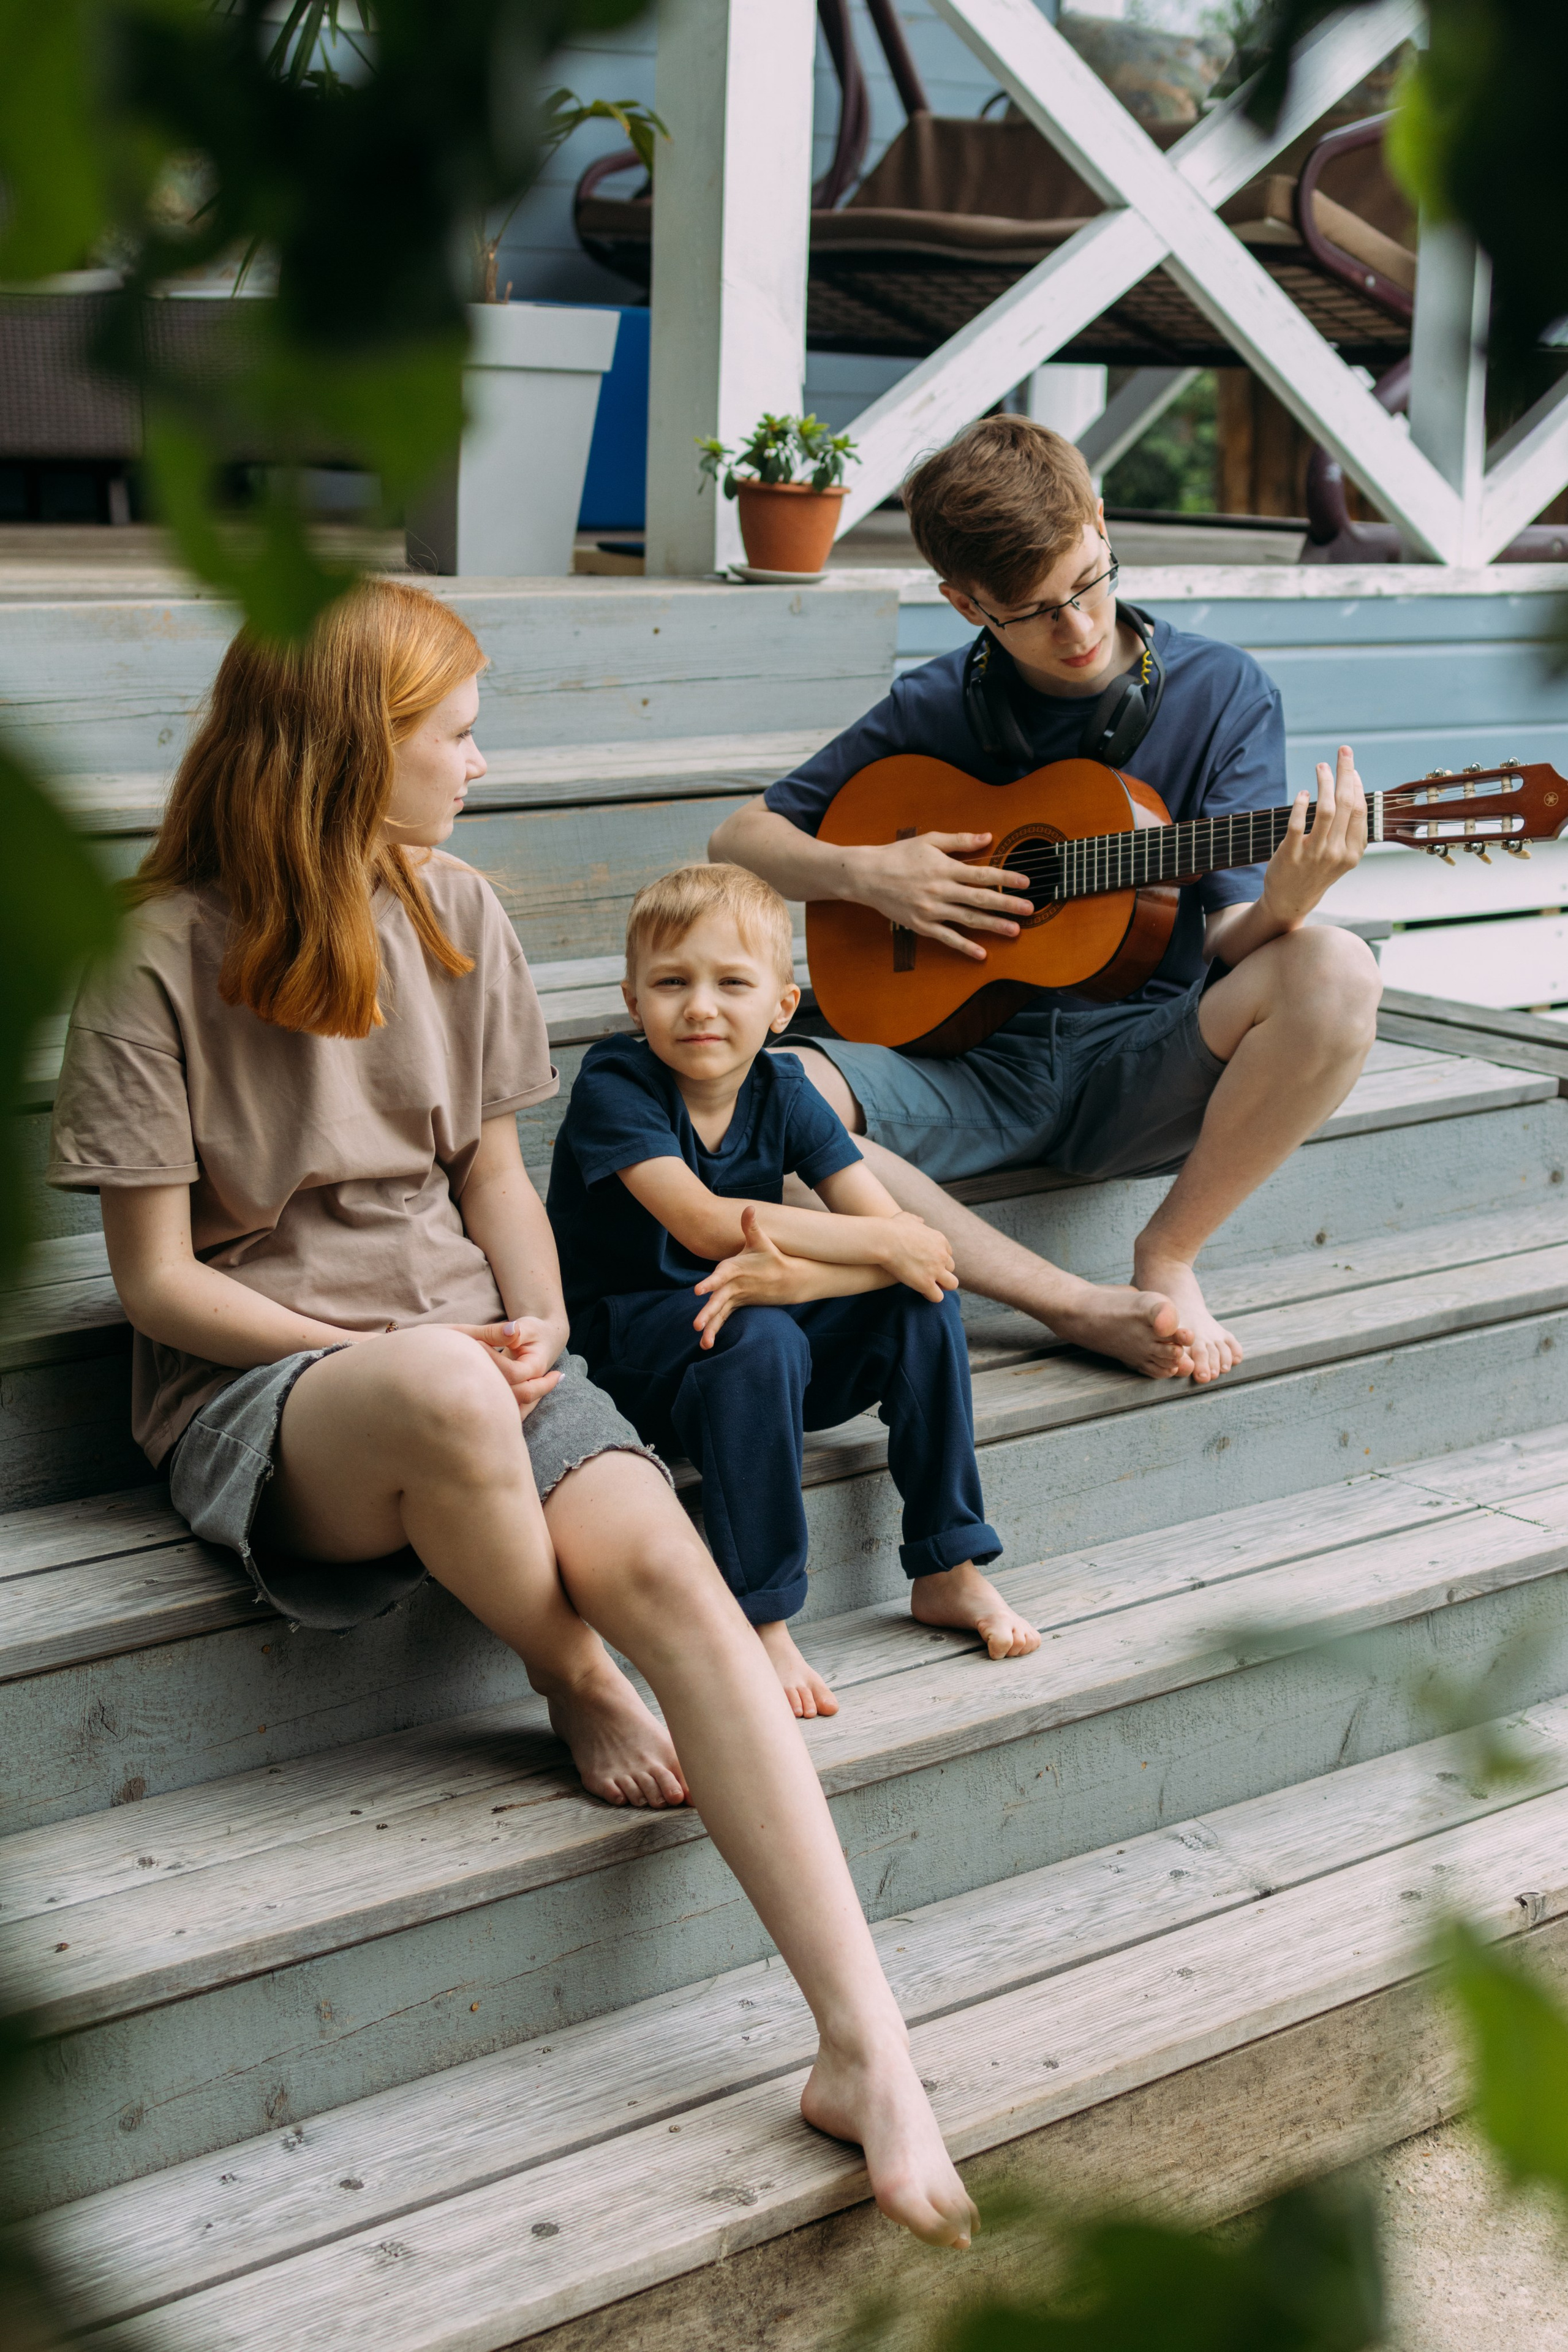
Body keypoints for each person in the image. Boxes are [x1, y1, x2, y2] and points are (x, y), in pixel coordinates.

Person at [45, 579, 977, 2250]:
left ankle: (868, 2050)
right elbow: (157, 1283)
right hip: (272, 1385)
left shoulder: (457, 911)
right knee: (435, 1395)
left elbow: (490, 1168)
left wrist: (535, 1311)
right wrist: (416, 1345)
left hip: (480, 1355)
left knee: (685, 1580)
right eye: (455, 734)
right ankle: (569, 1679)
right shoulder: (155, 963)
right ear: (350, 751)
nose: (483, 761)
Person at [709, 416, 1381, 1386]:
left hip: (1143, 1058)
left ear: (1102, 525)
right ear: (965, 603)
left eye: (1087, 582)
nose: (1076, 628)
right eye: (1032, 611)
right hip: (961, 1063)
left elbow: (1239, 935)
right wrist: (870, 875)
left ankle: (1168, 1254)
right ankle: (1072, 1305)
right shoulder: (936, 705)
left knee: (1337, 967)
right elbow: (739, 837)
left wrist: (1287, 899)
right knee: (753, 1105)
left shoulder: (1221, 691)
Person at [546, 864, 1038, 1720]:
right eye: (672, 983)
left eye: (732, 983)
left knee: (916, 1301)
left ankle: (947, 1567)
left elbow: (915, 1257)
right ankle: (762, 1617)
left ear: (781, 1007)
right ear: (634, 1001)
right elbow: (705, 1225)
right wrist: (881, 1241)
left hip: (740, 1336)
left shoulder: (785, 1087)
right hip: (629, 1353)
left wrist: (804, 1275)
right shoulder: (615, 1085)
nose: (700, 1007)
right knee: (765, 1335)